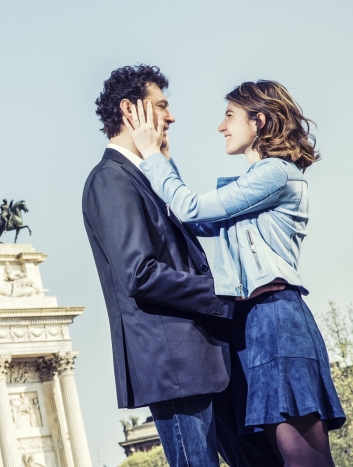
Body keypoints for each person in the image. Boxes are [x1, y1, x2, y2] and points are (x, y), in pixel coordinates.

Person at [128, 80, 346, 466]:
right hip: (250, 324)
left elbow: (192, 209)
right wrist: (162, 154)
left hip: (277, 319)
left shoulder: (275, 174)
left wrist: (151, 155)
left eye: (230, 115)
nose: (221, 126)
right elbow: (189, 220)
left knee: (303, 461)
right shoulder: (253, 185)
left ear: (259, 120)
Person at [83, 65, 281, 467]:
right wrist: (227, 293)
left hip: (208, 356)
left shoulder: (145, 176)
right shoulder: (110, 180)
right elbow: (140, 273)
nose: (171, 117)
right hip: (175, 365)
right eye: (161, 106)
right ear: (130, 110)